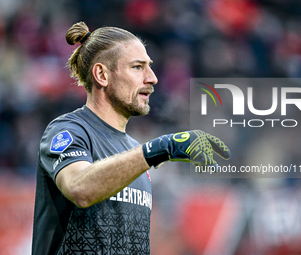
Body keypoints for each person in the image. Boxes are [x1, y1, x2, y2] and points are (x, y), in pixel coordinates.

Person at [32, 21, 231, 254]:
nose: (153, 78)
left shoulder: (134, 151)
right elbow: (79, 188)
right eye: (138, 67)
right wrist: (157, 149)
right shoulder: (69, 130)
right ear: (102, 75)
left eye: (150, 67)